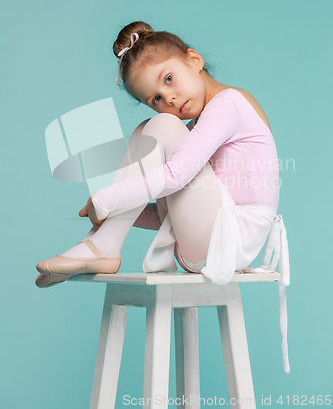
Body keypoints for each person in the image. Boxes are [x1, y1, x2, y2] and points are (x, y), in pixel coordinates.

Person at [36, 21, 290, 372]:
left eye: (168, 79)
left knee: (160, 129)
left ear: (195, 60)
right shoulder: (194, 131)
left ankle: (100, 247)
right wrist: (115, 205)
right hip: (206, 243)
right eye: (154, 98)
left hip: (230, 239)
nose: (167, 98)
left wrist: (109, 199)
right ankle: (101, 244)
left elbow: (175, 176)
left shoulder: (230, 103)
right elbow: (164, 213)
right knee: (149, 130)